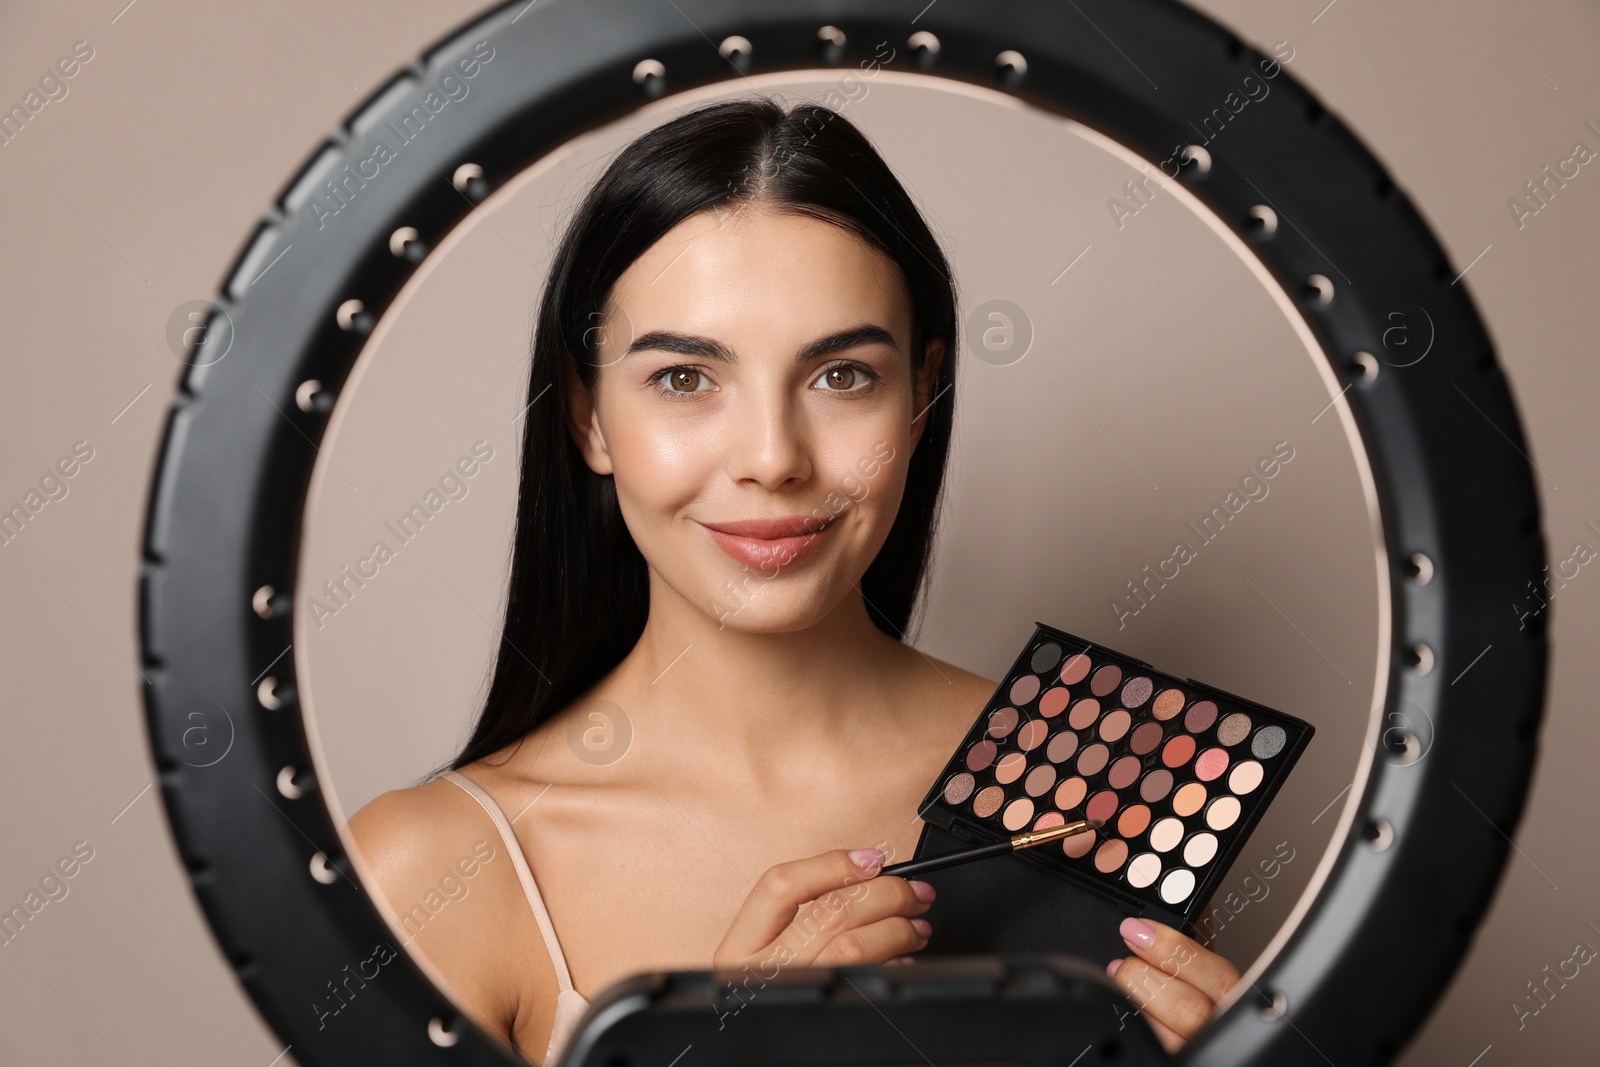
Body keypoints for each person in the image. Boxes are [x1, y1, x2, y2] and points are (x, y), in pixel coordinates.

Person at [348, 95, 1240, 1065]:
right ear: (588, 415)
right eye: (685, 378)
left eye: (842, 374)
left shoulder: (1100, 783)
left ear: (921, 395)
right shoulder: (435, 868)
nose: (773, 457)